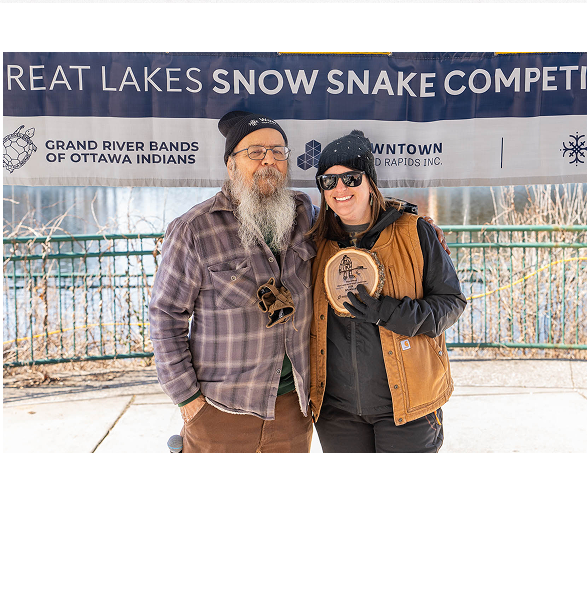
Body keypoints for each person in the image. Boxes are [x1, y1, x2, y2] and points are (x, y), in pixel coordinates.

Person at [149, 110, 315, 453]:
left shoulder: (304, 212)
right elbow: (165, 316)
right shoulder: (194, 229)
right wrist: (188, 401)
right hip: (219, 411)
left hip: (294, 409)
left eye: (278, 151)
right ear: (231, 165)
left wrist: (416, 225)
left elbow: (358, 219)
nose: (268, 160)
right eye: (255, 152)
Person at [307, 130, 466, 453]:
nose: (340, 189)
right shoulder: (312, 243)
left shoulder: (415, 233)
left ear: (370, 182)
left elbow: (451, 304)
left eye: (351, 178)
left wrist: (387, 312)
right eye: (328, 181)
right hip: (337, 412)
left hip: (408, 407)